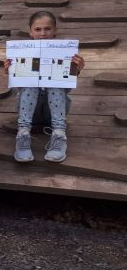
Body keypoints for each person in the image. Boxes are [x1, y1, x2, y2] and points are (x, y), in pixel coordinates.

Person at [5, 11, 85, 163]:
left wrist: (77, 70)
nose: (43, 33)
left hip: (54, 113)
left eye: (47, 29)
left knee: (54, 83)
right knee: (30, 82)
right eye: (38, 29)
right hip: (29, 113)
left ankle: (59, 134)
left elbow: (66, 88)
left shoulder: (65, 52)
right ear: (31, 32)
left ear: (55, 30)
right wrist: (11, 72)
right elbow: (20, 90)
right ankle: (23, 134)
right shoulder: (21, 52)